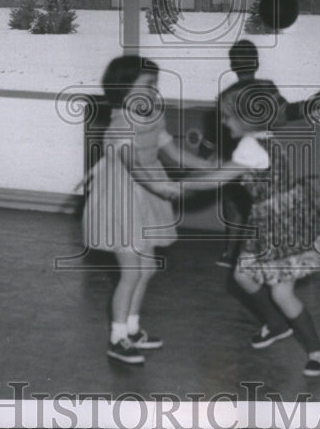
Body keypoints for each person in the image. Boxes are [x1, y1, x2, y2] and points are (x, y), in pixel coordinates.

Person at [83, 54, 247, 365]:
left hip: (147, 196)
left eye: (155, 85)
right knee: (131, 272)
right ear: (123, 88)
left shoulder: (152, 117)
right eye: (146, 85)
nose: (153, 92)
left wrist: (216, 168)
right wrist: (161, 188)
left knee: (147, 269)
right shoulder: (120, 124)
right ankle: (117, 338)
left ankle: (132, 330)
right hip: (121, 199)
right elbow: (133, 166)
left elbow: (175, 154)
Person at [219, 78, 320, 378]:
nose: (223, 122)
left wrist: (173, 183)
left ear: (246, 118)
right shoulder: (262, 134)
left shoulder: (249, 145)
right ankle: (276, 325)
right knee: (242, 276)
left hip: (280, 226)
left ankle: (317, 351)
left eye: (226, 116)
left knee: (282, 295)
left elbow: (214, 178)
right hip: (276, 219)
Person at [212, 39, 320, 268]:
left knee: (240, 206)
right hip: (252, 153)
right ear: (255, 63)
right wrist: (311, 105)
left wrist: (310, 105)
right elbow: (286, 113)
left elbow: (284, 113)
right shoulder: (263, 88)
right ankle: (242, 253)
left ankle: (234, 253)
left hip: (251, 153)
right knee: (247, 206)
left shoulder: (234, 93)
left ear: (233, 65)